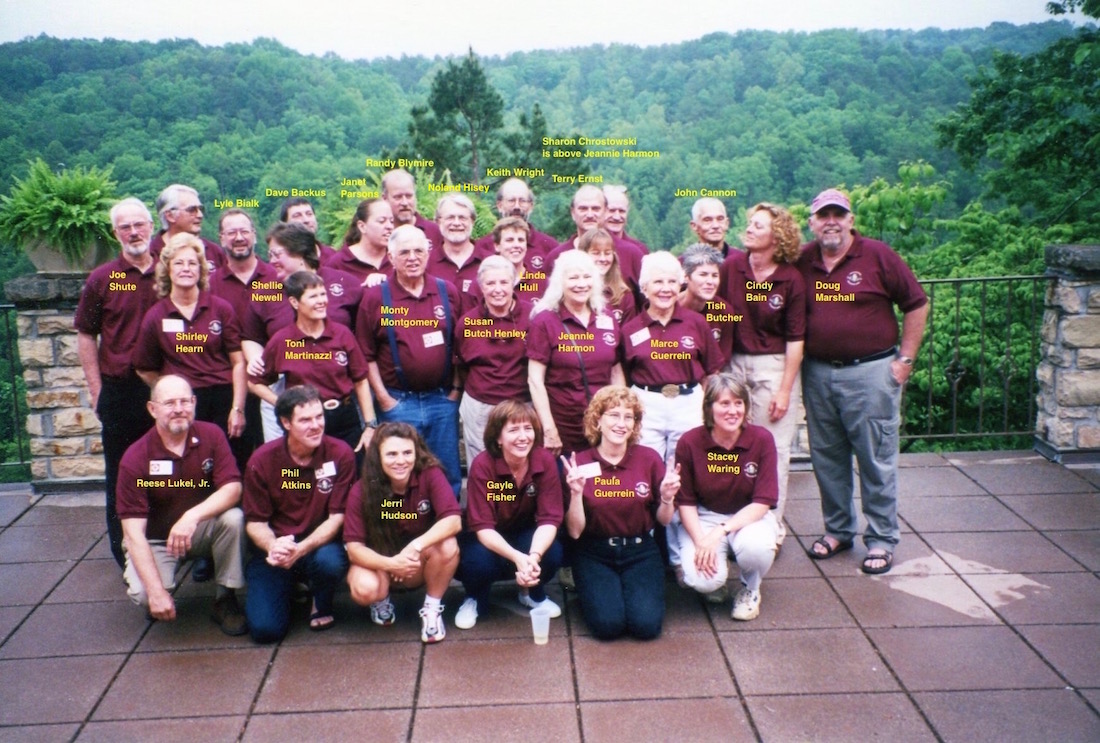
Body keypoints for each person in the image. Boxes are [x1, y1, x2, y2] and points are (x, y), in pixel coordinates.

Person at [797, 188, 929, 575]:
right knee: (827, 458)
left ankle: (882, 539)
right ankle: (838, 531)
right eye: (824, 216)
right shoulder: (804, 260)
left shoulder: (877, 255)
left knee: (876, 458)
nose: (831, 222)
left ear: (851, 220)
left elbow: (916, 304)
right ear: (813, 223)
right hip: (818, 371)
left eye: (839, 214)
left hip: (871, 371)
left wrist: (905, 359)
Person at [116, 375, 247, 635]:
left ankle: (225, 599)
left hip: (197, 529)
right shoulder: (135, 458)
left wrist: (191, 517)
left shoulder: (211, 435)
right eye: (169, 403)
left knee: (233, 519)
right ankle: (158, 592)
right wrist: (155, 593)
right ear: (152, 409)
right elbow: (133, 534)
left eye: (185, 401)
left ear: (194, 403)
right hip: (156, 539)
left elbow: (233, 489)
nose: (179, 409)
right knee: (145, 595)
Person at [75, 196, 160, 568]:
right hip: (122, 391)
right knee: (123, 475)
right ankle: (124, 554)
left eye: (139, 224)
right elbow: (85, 335)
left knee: (172, 471)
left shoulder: (170, 272)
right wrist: (97, 390)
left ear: (151, 226)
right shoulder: (102, 279)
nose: (133, 232)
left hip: (165, 389)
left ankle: (167, 547)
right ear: (115, 233)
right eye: (125, 227)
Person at [719, 203, 806, 546]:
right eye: (750, 223)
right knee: (732, 445)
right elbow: (715, 311)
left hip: (774, 364)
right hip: (734, 363)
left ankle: (771, 526)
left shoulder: (791, 279)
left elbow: (796, 339)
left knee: (773, 448)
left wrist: (785, 390)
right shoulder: (732, 267)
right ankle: (734, 522)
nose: (750, 229)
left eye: (758, 225)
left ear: (777, 236)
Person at [561, 386, 678, 640]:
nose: (621, 423)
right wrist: (576, 494)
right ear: (598, 420)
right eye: (614, 415)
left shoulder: (648, 459)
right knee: (608, 627)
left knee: (646, 628)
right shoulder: (580, 463)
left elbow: (664, 519)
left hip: (640, 550)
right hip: (594, 552)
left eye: (629, 417)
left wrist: (667, 498)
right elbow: (574, 530)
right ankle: (595, 592)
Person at [355, 224, 463, 496]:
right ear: (391, 258)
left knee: (446, 473)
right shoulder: (375, 297)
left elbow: (461, 346)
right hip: (397, 402)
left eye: (418, 250)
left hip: (442, 401)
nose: (412, 257)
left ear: (428, 253)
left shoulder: (446, 291)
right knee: (399, 477)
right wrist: (383, 399)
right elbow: (365, 355)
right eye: (404, 252)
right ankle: (402, 532)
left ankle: (448, 532)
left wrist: (455, 392)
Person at [242, 385, 354, 641]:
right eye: (305, 420)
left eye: (319, 417)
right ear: (285, 422)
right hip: (277, 548)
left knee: (330, 562)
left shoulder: (340, 454)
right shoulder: (262, 460)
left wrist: (301, 549)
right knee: (265, 631)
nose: (316, 425)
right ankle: (288, 588)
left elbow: (338, 517)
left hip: (318, 546)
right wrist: (274, 546)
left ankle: (320, 598)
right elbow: (255, 522)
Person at [132, 233, 248, 469]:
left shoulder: (220, 309)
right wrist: (168, 388)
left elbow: (239, 362)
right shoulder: (156, 315)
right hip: (183, 404)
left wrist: (238, 408)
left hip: (223, 400)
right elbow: (143, 368)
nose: (186, 269)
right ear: (168, 270)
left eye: (192, 263)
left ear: (201, 270)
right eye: (179, 263)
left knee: (227, 467)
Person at [672, 374, 779, 621]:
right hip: (705, 515)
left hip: (748, 516)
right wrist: (701, 541)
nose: (733, 411)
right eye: (724, 404)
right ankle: (718, 576)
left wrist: (720, 532)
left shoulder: (761, 440)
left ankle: (750, 589)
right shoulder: (690, 442)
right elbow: (685, 502)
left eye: (738, 403)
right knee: (702, 580)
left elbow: (762, 502)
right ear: (709, 408)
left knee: (757, 549)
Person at [344, 422, 461, 644]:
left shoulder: (430, 474)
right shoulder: (362, 489)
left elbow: (453, 520)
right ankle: (381, 600)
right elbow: (354, 549)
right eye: (391, 454)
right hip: (380, 564)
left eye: (407, 452)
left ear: (417, 453)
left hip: (416, 562)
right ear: (378, 456)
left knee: (448, 545)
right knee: (364, 589)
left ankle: (432, 609)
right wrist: (391, 564)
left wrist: (414, 547)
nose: (401, 461)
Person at [455, 401, 564, 629]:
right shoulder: (483, 465)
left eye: (528, 429)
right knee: (476, 561)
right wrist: (517, 558)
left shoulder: (544, 460)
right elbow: (483, 526)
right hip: (487, 537)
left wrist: (532, 557)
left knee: (551, 552)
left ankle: (531, 594)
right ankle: (475, 597)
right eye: (513, 430)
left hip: (524, 532)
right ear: (498, 438)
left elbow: (549, 519)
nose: (523, 437)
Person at [249, 271, 377, 455]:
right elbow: (254, 382)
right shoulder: (282, 340)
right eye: (313, 296)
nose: (321, 301)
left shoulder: (342, 334)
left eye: (323, 294)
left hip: (345, 421)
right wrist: (283, 403)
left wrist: (370, 425)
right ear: (294, 302)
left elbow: (361, 380)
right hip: (305, 425)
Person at [621, 251, 723, 460]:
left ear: (680, 285)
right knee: (646, 462)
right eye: (658, 282)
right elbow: (622, 374)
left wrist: (706, 406)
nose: (666, 289)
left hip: (688, 403)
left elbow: (712, 371)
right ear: (644, 287)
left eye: (672, 282)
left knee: (687, 465)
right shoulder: (630, 329)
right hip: (646, 404)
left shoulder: (696, 323)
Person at [528, 249, 625, 456]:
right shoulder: (545, 321)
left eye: (587, 277)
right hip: (564, 425)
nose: (581, 284)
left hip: (604, 424)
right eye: (573, 278)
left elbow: (616, 371)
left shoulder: (607, 318)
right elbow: (535, 380)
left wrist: (622, 415)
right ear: (559, 283)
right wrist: (549, 429)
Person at [455, 255, 533, 465]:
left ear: (514, 282)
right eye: (490, 283)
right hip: (481, 405)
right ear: (481, 286)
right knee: (482, 464)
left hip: (522, 404)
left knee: (522, 462)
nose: (497, 289)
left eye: (503, 282)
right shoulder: (467, 323)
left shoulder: (533, 316)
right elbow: (461, 364)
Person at [209, 208, 273, 459]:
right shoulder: (210, 285)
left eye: (244, 231)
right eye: (231, 232)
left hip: (271, 383)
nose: (239, 237)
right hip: (228, 387)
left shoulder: (275, 277)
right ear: (221, 238)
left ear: (254, 235)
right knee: (236, 459)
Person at [544, 185, 643, 287]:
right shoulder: (557, 256)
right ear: (573, 213)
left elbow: (646, 300)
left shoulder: (631, 254)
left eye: (596, 209)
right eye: (583, 209)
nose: (590, 215)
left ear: (605, 211)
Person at [473, 177, 559, 268]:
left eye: (522, 201)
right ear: (499, 205)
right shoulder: (482, 247)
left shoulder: (549, 247)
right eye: (511, 200)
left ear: (531, 206)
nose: (517, 207)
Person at [430, 193, 488, 313]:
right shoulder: (426, 263)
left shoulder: (490, 262)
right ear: (438, 221)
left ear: (472, 221)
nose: (456, 223)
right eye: (450, 217)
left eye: (462, 218)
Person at [679, 243, 736, 363]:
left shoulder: (724, 311)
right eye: (703, 275)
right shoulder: (671, 307)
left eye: (715, 275)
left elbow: (721, 361)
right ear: (686, 277)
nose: (710, 281)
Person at [149, 184, 226, 271]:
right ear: (170, 216)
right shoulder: (150, 254)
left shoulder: (214, 252)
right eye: (192, 210)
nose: (200, 215)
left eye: (201, 209)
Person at [577, 227, 637, 324]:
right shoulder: (574, 291)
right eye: (596, 253)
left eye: (607, 253)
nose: (603, 259)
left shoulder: (624, 295)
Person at [327, 198, 393, 284]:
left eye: (392, 221)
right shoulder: (338, 263)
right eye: (381, 221)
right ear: (362, 226)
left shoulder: (399, 257)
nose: (389, 226)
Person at [381, 168, 445, 250]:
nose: (405, 203)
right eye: (398, 197)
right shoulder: (379, 236)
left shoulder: (435, 232)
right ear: (384, 198)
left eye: (409, 196)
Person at [490, 216, 546, 302]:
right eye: (509, 240)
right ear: (497, 246)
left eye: (521, 240)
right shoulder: (485, 282)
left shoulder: (542, 283)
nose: (516, 245)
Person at [280, 196, 337, 263]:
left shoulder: (333, 256)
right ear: (285, 224)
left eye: (309, 214)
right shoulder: (280, 261)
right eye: (297, 216)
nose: (306, 220)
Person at [602, 185, 650, 254]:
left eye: (622, 211)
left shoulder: (639, 249)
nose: (617, 217)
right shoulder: (589, 246)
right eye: (611, 210)